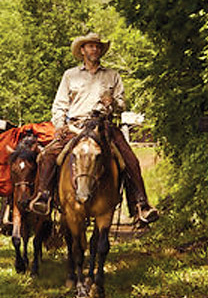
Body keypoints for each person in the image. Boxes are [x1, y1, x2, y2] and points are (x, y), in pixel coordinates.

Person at [29, 32, 159, 225]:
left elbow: (122, 103)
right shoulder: (70, 75)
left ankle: (140, 205)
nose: (95, 49)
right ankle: (44, 197)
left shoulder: (112, 75)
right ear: (82, 50)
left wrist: (113, 102)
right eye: (90, 46)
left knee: (130, 160)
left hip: (104, 126)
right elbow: (59, 105)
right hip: (76, 126)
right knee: (49, 156)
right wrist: (59, 125)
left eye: (97, 47)